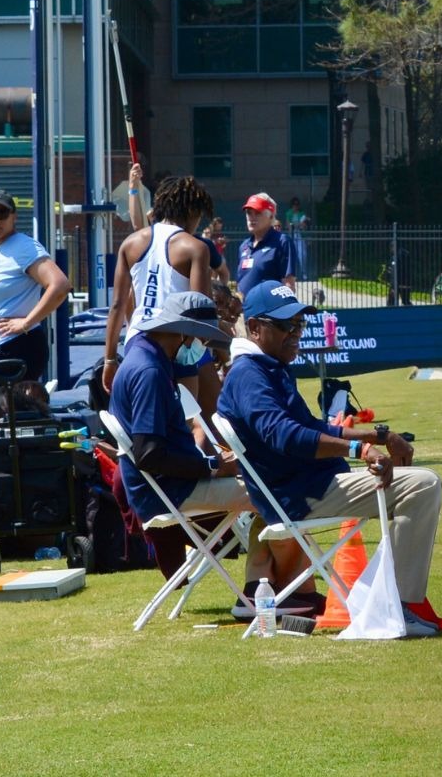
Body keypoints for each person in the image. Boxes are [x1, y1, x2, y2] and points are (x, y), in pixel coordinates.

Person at [219, 283, 442, 635]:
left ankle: (395, 602)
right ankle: (398, 607)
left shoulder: (267, 367)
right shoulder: (250, 375)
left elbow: (310, 425)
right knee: (423, 485)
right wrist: (360, 450)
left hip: (307, 486)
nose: (296, 334)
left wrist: (379, 436)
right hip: (301, 495)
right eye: (286, 326)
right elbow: (286, 435)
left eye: (300, 325)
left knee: (420, 483)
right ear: (255, 328)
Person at [111, 290, 272, 583]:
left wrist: (212, 464)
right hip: (169, 494)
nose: (205, 350)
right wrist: (213, 467)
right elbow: (149, 455)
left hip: (168, 487)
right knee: (275, 490)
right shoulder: (150, 372)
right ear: (184, 334)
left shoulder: (146, 358)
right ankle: (264, 588)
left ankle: (264, 585)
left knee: (267, 484)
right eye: (203, 340)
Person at [102, 173, 220, 420]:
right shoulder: (195, 247)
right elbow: (201, 311)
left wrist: (110, 359)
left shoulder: (130, 243)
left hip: (138, 341)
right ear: (191, 210)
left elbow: (117, 305)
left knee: (148, 423)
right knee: (201, 422)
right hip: (178, 343)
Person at [0, 189, 70, 396]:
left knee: (15, 421)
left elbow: (60, 285)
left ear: (14, 217)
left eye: (2, 214)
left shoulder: (24, 247)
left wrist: (26, 322)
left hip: (13, 348)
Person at [235, 192, 296, 298]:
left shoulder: (282, 242)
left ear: (271, 216)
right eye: (249, 213)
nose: (251, 217)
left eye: (257, 213)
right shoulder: (244, 246)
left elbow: (288, 286)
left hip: (269, 312)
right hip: (245, 312)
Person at [285, 197, 311, 282]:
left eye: (297, 204)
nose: (296, 206)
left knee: (302, 254)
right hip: (292, 235)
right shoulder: (289, 213)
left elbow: (304, 226)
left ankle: (304, 273)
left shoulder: (302, 214)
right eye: (294, 204)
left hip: (300, 235)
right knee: (291, 255)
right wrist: (297, 225)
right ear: (292, 205)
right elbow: (288, 226)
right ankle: (292, 274)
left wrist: (300, 224)